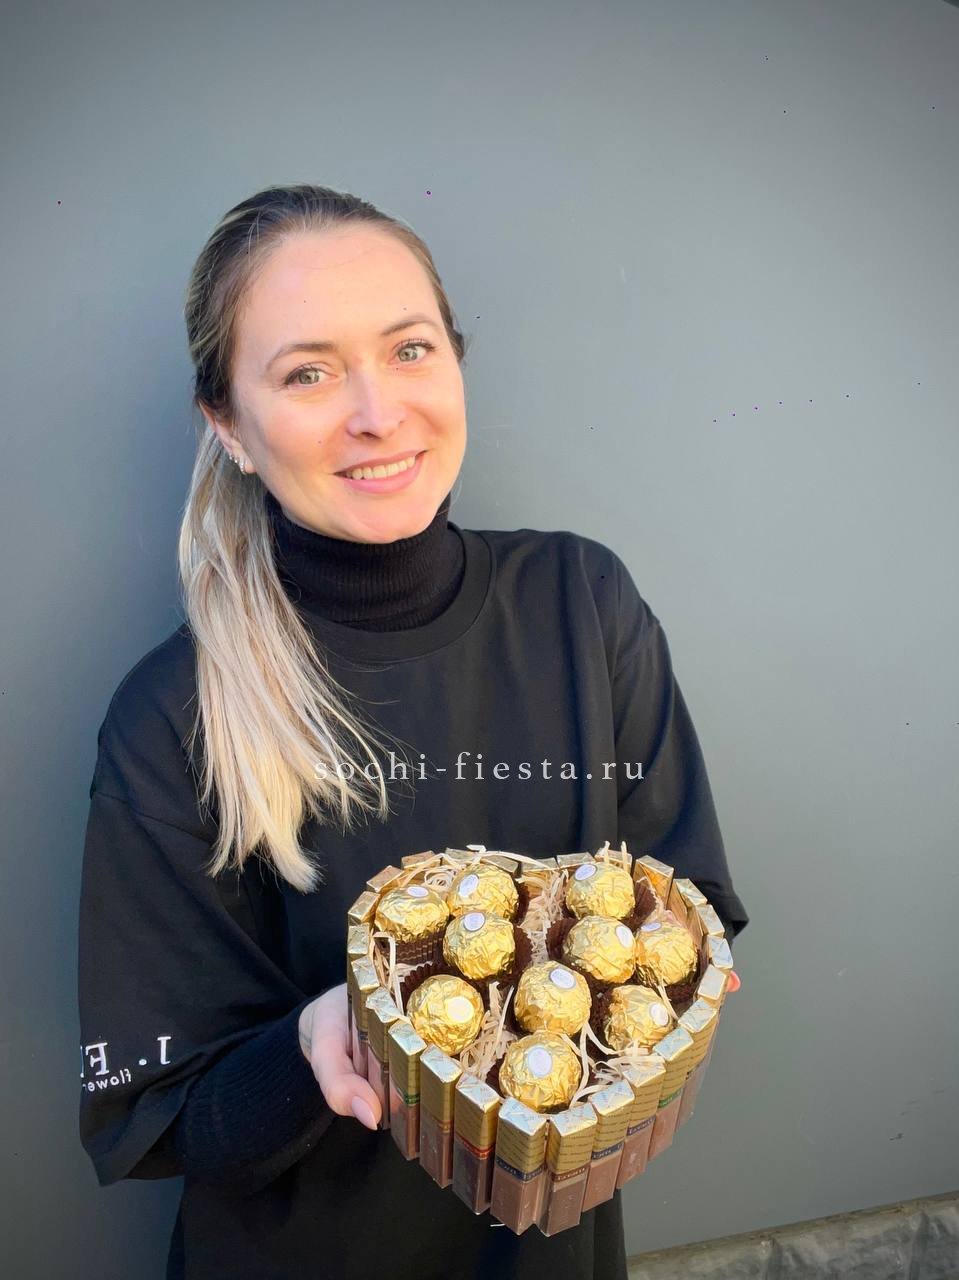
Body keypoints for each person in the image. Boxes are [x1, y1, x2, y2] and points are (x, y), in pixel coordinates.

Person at [77, 184, 748, 1280]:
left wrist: (671, 983)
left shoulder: (581, 602)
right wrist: (319, 1041)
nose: (377, 413)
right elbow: (160, 1110)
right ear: (227, 426)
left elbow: (690, 904)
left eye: (409, 349)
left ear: (454, 363)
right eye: (307, 373)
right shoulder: (174, 715)